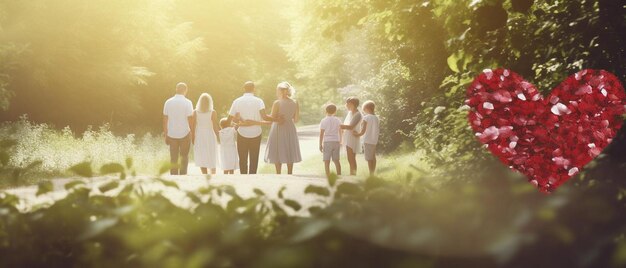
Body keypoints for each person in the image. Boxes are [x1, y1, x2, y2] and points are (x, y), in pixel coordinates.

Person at [227, 81, 279, 174]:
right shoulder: (259, 101)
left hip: (242, 133)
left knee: (242, 158)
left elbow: (229, 120)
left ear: (244, 89)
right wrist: (277, 119)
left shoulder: (237, 101)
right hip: (256, 133)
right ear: (254, 89)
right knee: (254, 158)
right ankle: (253, 178)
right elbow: (265, 117)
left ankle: (243, 178)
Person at [261, 82, 302, 174]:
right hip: (290, 127)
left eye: (277, 90)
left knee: (278, 148)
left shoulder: (277, 103)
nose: (276, 91)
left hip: (278, 127)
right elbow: (296, 119)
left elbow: (272, 118)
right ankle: (290, 172)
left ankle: (278, 173)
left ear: (280, 91)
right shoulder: (295, 102)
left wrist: (263, 116)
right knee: (289, 147)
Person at [163, 82, 194, 175]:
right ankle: (183, 176)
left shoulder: (168, 102)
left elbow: (165, 119)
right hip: (185, 133)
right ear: (186, 90)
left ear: (176, 89)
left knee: (173, 157)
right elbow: (190, 119)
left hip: (172, 134)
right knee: (184, 156)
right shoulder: (188, 102)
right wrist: (193, 133)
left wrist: (165, 134)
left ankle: (173, 176)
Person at [193, 93, 220, 175]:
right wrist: (219, 137)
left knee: (202, 153)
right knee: (211, 152)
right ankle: (213, 173)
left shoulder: (195, 112)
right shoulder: (213, 112)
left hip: (199, 134)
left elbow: (193, 126)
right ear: (210, 102)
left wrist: (193, 137)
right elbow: (215, 126)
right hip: (210, 134)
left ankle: (204, 174)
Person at [352, 101, 380, 176]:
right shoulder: (376, 118)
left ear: (366, 108)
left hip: (367, 140)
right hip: (374, 140)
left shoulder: (366, 117)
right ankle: (372, 173)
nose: (363, 110)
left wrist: (356, 134)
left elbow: (363, 131)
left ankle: (371, 174)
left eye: (363, 109)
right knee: (373, 156)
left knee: (369, 158)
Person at [340, 97, 362, 175]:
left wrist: (338, 125)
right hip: (348, 137)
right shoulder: (350, 113)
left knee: (351, 158)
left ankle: (353, 175)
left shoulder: (358, 114)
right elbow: (347, 126)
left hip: (352, 137)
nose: (346, 105)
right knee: (350, 158)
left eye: (348, 104)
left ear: (352, 104)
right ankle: (352, 174)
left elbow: (351, 127)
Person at [319, 103, 342, 177]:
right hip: (336, 141)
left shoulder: (323, 120)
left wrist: (320, 144)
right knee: (336, 160)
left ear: (326, 111)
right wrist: (341, 141)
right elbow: (340, 131)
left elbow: (321, 133)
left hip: (327, 141)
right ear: (335, 111)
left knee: (326, 160)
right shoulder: (338, 120)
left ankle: (328, 176)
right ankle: (339, 175)